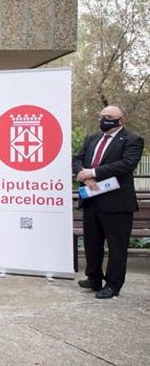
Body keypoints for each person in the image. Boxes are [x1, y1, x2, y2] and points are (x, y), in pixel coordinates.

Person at [73, 105, 144, 299]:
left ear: (122, 120)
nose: (104, 119)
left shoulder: (132, 140)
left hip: (117, 203)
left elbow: (127, 164)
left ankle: (113, 284)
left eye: (109, 116)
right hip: (91, 199)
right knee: (92, 242)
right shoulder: (92, 139)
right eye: (102, 116)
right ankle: (93, 277)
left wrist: (94, 172)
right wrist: (85, 176)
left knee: (116, 246)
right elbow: (77, 159)